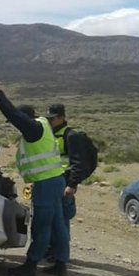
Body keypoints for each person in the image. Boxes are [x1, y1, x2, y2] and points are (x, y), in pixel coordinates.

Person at [0, 77, 69, 276]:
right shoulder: (42, 128)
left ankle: (31, 265)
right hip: (56, 180)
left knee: (42, 224)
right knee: (58, 223)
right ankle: (61, 263)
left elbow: (13, 114)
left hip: (46, 184)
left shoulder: (33, 129)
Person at [45, 104, 95, 260]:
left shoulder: (71, 136)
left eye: (52, 118)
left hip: (65, 183)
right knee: (53, 219)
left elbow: (77, 163)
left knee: (61, 221)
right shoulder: (53, 134)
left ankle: (60, 255)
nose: (50, 121)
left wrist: (72, 185)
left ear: (61, 118)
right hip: (54, 181)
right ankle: (52, 250)